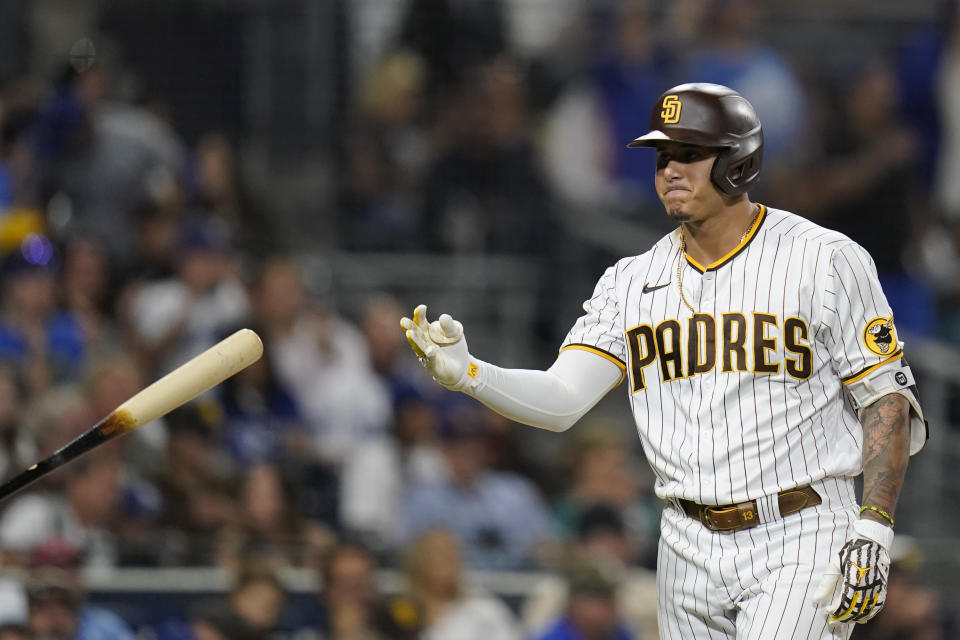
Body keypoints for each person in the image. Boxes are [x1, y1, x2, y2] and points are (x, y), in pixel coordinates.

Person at [401, 83, 927, 639]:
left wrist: (875, 526)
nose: (670, 170)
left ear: (739, 163)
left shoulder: (824, 259)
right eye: (662, 157)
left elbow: (885, 399)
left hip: (800, 530)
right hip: (683, 542)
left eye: (689, 155)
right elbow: (561, 401)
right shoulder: (630, 281)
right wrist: (471, 375)